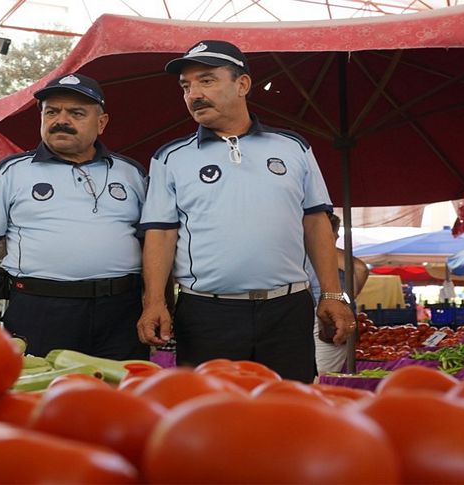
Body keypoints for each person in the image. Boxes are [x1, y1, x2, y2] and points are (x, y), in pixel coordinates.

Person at [137, 40, 356, 383]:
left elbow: (315, 223)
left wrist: (330, 294)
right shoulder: (170, 158)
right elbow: (161, 234)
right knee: (211, 414)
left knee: (288, 409)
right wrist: (154, 303)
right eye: (186, 85)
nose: (194, 93)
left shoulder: (294, 148)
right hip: (206, 312)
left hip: (288, 309)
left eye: (206, 80)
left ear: (242, 84)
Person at [0, 73, 149, 360]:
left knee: (121, 394)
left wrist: (158, 302)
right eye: (52, 112)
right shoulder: (10, 171)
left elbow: (155, 241)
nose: (62, 120)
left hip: (121, 312)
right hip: (39, 309)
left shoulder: (132, 173)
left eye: (76, 113)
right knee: (37, 397)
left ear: (101, 123)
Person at [310, 213, 369, 375]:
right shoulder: (326, 250)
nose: (337, 236)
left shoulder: (300, 249)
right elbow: (360, 269)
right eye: (335, 232)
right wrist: (348, 298)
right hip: (326, 317)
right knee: (324, 374)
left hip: (308, 314)